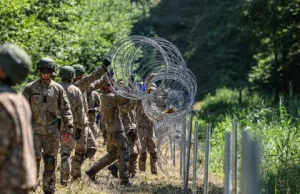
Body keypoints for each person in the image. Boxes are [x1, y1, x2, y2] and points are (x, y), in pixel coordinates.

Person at [23, 57, 74, 194]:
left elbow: (66, 109)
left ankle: (48, 188)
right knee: (33, 161)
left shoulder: (58, 89)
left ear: (52, 72)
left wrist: (68, 128)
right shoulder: (30, 88)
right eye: (43, 71)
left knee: (50, 161)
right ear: (39, 71)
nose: (45, 74)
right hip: (34, 131)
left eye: (48, 71)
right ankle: (30, 187)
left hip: (52, 131)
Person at [0, 43, 37, 194]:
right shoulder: (18, 99)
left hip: (5, 183)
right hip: (20, 179)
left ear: (2, 71)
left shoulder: (3, 102)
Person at [85, 76, 132, 187]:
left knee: (114, 154)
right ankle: (125, 181)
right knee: (124, 153)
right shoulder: (108, 97)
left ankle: (92, 171)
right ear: (106, 86)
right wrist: (130, 86)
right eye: (111, 84)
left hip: (113, 129)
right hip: (116, 130)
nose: (114, 86)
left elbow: (124, 102)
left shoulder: (107, 97)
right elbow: (123, 98)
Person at [72, 61, 110, 159]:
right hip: (76, 123)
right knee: (79, 149)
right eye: (80, 75)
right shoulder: (75, 86)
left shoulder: (82, 86)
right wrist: (103, 68)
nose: (83, 77)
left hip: (84, 122)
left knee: (91, 148)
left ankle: (76, 164)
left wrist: (107, 76)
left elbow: (96, 83)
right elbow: (91, 78)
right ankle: (74, 166)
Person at [58, 66, 88, 185]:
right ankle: (65, 179)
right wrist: (80, 127)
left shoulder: (55, 87)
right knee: (67, 153)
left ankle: (59, 178)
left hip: (56, 125)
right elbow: (81, 111)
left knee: (60, 153)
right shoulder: (75, 90)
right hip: (72, 126)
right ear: (72, 76)